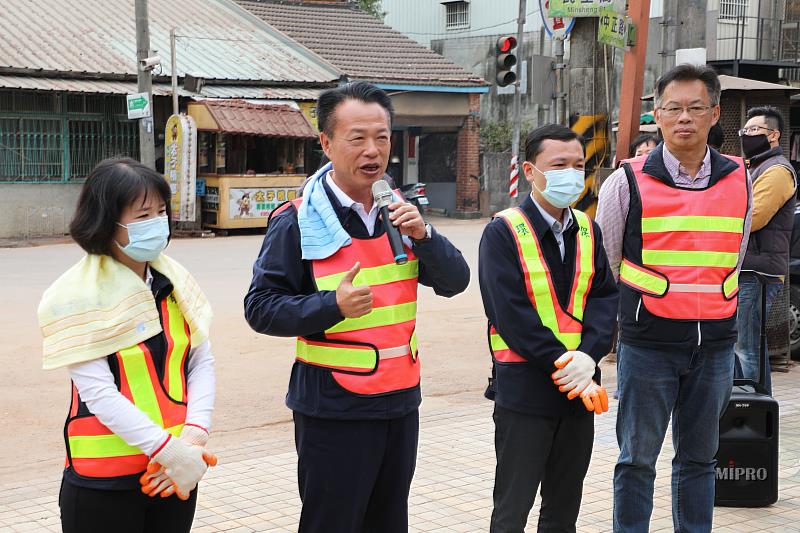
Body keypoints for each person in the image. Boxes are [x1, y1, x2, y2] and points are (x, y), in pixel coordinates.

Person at [244, 82, 469, 533]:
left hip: (400, 402)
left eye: (382, 137)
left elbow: (455, 282)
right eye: (358, 138)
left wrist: (426, 237)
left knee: (388, 522)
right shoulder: (297, 220)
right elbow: (261, 307)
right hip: (333, 409)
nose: (373, 150)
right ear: (326, 143)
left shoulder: (400, 212)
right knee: (333, 523)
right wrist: (331, 306)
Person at [596, 64, 751, 532]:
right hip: (647, 344)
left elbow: (736, 255)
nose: (685, 117)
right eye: (674, 108)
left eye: (696, 108)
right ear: (656, 115)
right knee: (637, 459)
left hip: (716, 346)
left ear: (714, 114)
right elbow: (608, 263)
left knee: (700, 459)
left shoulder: (739, 178)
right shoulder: (626, 181)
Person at [38, 158, 217, 533]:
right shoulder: (75, 295)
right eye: (142, 215)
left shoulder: (174, 281)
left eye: (161, 211)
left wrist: (194, 436)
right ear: (105, 223)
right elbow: (99, 394)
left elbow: (200, 360)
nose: (157, 222)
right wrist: (169, 450)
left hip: (172, 475)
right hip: (104, 483)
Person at [480, 124, 619, 533]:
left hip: (580, 394)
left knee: (563, 509)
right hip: (526, 391)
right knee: (512, 508)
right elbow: (509, 313)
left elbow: (604, 298)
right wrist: (564, 362)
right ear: (530, 170)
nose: (571, 175)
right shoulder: (503, 232)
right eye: (558, 165)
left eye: (578, 165)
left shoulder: (587, 229)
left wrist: (588, 355)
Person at [736, 106, 797, 394]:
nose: (746, 136)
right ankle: (754, 409)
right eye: (744, 131)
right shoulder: (757, 167)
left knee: (746, 346)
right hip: (750, 267)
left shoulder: (777, 171)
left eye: (753, 130)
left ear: (773, 135)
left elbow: (754, 216)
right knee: (746, 343)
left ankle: (754, 408)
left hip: (757, 271)